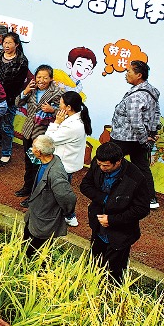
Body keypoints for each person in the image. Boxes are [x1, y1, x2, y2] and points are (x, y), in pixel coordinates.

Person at [80, 142, 152, 283]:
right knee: (94, 263)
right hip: (98, 226)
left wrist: (112, 220)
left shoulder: (136, 178)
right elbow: (85, 185)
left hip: (121, 233)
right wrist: (105, 199)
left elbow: (142, 209)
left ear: (118, 161)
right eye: (99, 164)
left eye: (105, 166)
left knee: (114, 273)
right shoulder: (98, 163)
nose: (101, 168)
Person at [110, 59, 161, 209]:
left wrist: (144, 138)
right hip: (140, 139)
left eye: (129, 71)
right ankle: (151, 199)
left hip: (124, 138)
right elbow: (156, 114)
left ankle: (107, 192)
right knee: (142, 167)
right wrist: (151, 133)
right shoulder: (151, 91)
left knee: (110, 162)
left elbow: (135, 120)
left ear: (139, 75)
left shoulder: (137, 96)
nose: (126, 74)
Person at [23, 135, 78, 258]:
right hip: (35, 216)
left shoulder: (56, 173)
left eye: (33, 147)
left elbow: (68, 198)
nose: (31, 149)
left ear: (39, 152)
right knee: (26, 244)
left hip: (44, 221)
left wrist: (66, 213)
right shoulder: (47, 161)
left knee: (37, 254)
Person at [15, 65, 65, 201]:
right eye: (39, 77)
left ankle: (34, 194)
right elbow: (17, 103)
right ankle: (27, 187)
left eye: (45, 77)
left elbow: (63, 113)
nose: (41, 80)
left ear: (51, 79)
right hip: (28, 132)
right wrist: (25, 92)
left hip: (43, 134)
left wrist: (51, 110)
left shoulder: (57, 93)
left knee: (39, 165)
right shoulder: (31, 89)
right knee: (28, 162)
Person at [45, 91, 92, 226]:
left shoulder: (72, 125)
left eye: (61, 103)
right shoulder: (77, 119)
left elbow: (49, 140)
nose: (58, 105)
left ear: (69, 107)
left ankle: (70, 216)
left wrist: (56, 123)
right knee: (60, 191)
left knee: (61, 193)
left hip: (63, 165)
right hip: (67, 164)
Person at [0, 32, 30, 166]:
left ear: (16, 44)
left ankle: (6, 153)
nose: (6, 45)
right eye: (5, 42)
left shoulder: (22, 61)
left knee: (6, 126)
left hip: (9, 99)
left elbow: (17, 84)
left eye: (9, 43)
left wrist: (2, 95)